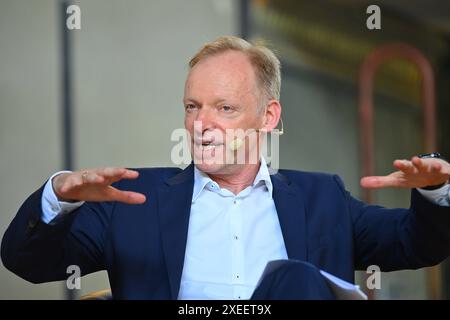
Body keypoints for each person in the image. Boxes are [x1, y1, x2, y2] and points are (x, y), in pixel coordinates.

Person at [1, 36, 450, 300]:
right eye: (192, 107)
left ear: (269, 117)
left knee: (293, 277)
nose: (201, 125)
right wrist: (61, 194)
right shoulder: (133, 199)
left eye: (225, 108)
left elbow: (418, 244)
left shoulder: (322, 199)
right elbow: (29, 263)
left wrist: (434, 191)